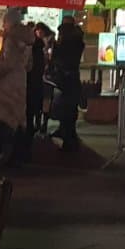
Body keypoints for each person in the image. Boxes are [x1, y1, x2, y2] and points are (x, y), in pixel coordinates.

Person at [0, 9, 35, 167]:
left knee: (1, 118)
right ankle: (18, 155)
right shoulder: (28, 38)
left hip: (7, 83)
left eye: (4, 22)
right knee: (17, 118)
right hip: (21, 81)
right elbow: (29, 65)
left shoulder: (11, 38)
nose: (3, 25)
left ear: (9, 22)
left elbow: (8, 63)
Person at [50, 18, 87, 152]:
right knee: (70, 108)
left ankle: (67, 137)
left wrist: (55, 46)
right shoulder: (78, 40)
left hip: (64, 78)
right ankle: (68, 133)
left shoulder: (65, 42)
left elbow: (58, 58)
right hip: (73, 77)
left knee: (65, 107)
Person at [25, 22, 52, 153]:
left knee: (40, 102)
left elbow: (32, 67)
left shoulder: (38, 46)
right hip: (40, 80)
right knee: (40, 102)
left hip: (37, 81)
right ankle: (38, 124)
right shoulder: (40, 46)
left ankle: (39, 125)